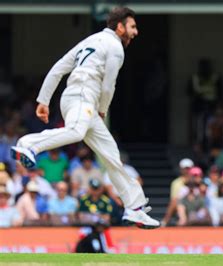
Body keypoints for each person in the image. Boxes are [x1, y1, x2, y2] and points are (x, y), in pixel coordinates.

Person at [8, 7, 159, 229]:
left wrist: (44, 100)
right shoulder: (116, 47)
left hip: (76, 98)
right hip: (84, 97)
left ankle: (135, 208)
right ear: (120, 26)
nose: (135, 32)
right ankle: (27, 144)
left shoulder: (91, 40)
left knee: (111, 156)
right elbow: (108, 85)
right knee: (76, 132)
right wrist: (102, 109)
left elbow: (59, 67)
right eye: (132, 27)